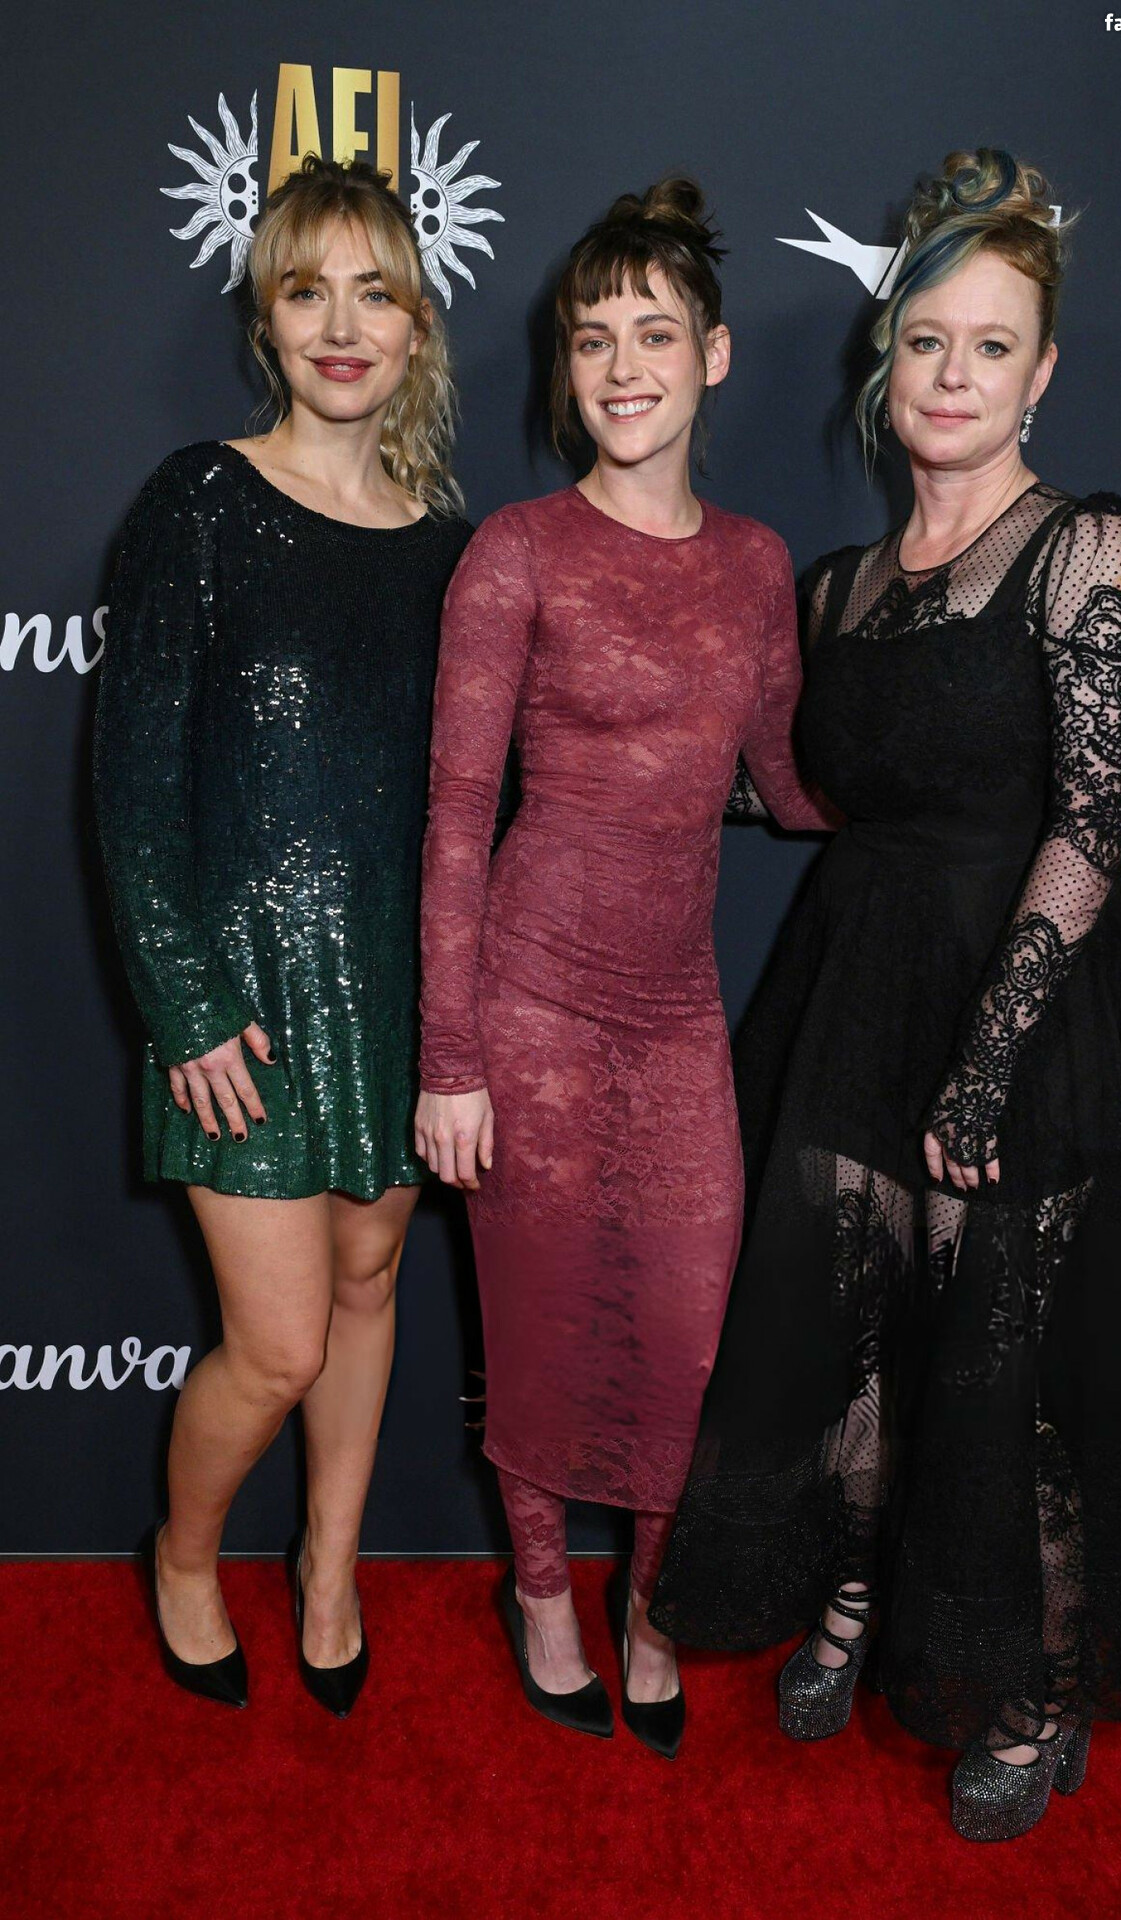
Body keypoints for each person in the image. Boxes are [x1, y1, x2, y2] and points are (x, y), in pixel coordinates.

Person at [651, 148, 1121, 1835]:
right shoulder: (837, 587)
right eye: (928, 341)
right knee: (851, 1324)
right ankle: (857, 1590)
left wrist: (988, 1059)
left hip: (1025, 1003)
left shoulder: (1085, 547)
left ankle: (1043, 1686)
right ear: (886, 356)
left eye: (992, 346)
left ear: (1040, 371)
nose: (954, 375)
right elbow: (788, 787)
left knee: (1015, 1358)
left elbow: (1100, 821)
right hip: (855, 983)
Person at [414, 178, 834, 1755]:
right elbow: (457, 816)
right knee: (530, 1326)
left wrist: (950, 777)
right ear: (565, 367)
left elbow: (793, 783)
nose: (623, 365)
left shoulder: (757, 563)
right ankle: (542, 1596)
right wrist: (450, 1058)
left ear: (713, 356)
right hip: (523, 1001)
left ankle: (655, 1607)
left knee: (688, 1337)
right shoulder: (515, 552)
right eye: (594, 338)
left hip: (673, 1018)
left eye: (654, 333)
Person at [94, 155, 471, 1715]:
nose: (341, 325)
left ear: (415, 326)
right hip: (237, 1006)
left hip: (392, 991)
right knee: (281, 1343)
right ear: (267, 318)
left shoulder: (452, 549)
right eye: (308, 290)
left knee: (372, 1285)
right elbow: (132, 783)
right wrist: (183, 1005)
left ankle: (329, 1566)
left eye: (374, 293)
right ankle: (184, 1556)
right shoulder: (200, 500)